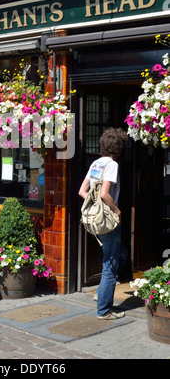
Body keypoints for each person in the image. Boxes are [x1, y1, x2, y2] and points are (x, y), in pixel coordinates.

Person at [78, 127, 128, 320]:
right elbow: (104, 193)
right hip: (108, 221)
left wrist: (94, 207)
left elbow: (82, 191)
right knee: (110, 264)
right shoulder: (112, 165)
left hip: (95, 220)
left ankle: (101, 292)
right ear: (119, 148)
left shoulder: (96, 163)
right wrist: (116, 211)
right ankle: (104, 310)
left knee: (119, 254)